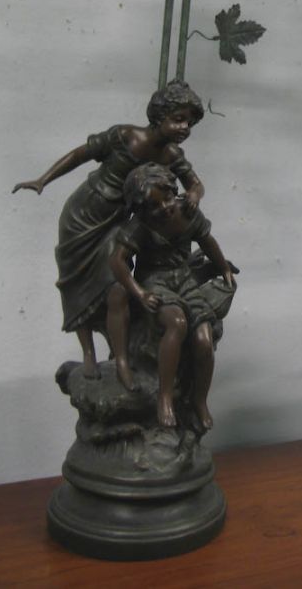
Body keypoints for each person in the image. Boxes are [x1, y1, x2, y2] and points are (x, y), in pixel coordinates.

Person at [12, 80, 205, 388]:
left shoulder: (172, 155)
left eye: (190, 123)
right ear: (159, 116)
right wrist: (43, 179)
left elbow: (195, 183)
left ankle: (122, 360)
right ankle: (88, 352)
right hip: (82, 214)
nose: (185, 127)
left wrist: (194, 193)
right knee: (75, 283)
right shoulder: (124, 135)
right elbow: (80, 154)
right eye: (179, 119)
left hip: (117, 222)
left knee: (117, 289)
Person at [110, 163, 236, 430]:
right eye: (154, 206)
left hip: (185, 280)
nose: (165, 208)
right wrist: (140, 293)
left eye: (167, 198)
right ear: (141, 209)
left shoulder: (187, 211)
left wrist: (223, 266)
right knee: (177, 323)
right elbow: (117, 261)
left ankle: (199, 400)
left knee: (204, 339)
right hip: (155, 282)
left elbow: (207, 240)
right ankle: (164, 398)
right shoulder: (140, 226)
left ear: (174, 191)